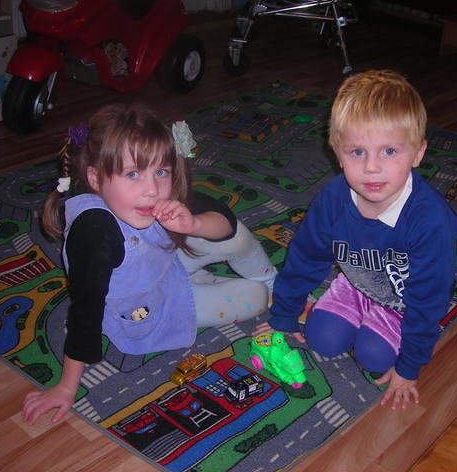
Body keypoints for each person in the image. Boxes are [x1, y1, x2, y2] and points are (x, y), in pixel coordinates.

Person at [23, 102, 276, 425]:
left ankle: (273, 283)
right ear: (96, 180)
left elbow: (225, 221)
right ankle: (227, 288)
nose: (151, 189)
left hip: (163, 266)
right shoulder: (95, 232)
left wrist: (192, 226)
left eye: (161, 171)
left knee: (233, 235)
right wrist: (66, 388)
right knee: (254, 298)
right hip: (150, 309)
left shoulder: (154, 196)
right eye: (132, 174)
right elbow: (85, 314)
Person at [255, 70, 457, 409]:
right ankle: (352, 296)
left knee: (374, 356)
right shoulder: (333, 199)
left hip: (404, 301)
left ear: (418, 153)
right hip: (358, 281)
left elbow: (428, 302)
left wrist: (409, 367)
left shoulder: (430, 221)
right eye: (357, 152)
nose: (372, 168)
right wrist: (285, 315)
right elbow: (306, 256)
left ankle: (380, 326)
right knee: (323, 340)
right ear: (337, 152)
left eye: (390, 151)